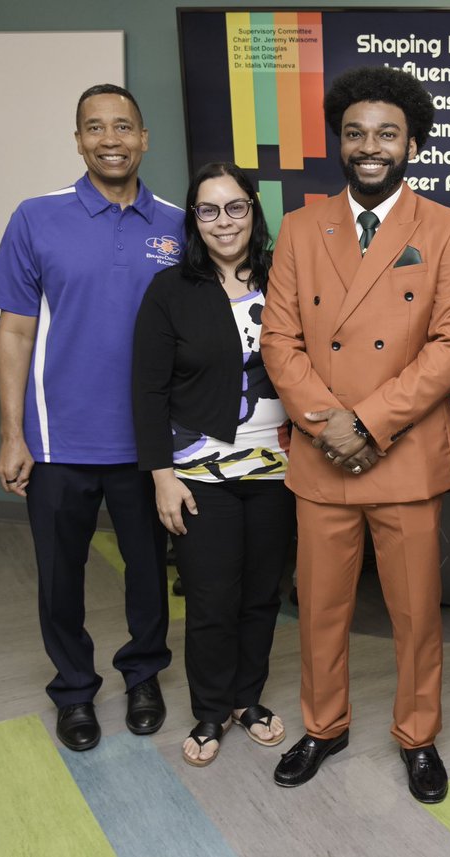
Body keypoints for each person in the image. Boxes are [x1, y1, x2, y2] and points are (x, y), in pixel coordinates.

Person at [260, 66, 450, 804]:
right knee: (320, 605)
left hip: (405, 452)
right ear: (340, 143)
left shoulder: (446, 228)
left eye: (386, 133)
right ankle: (324, 726)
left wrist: (371, 423)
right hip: (325, 456)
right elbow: (279, 341)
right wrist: (330, 425)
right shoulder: (300, 226)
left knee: (416, 611)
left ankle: (418, 737)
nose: (370, 146)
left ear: (411, 141)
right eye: (355, 133)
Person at [0, 84, 183, 751]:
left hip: (149, 444)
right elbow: (14, 332)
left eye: (123, 126)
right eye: (94, 127)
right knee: (59, 577)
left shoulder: (179, 224)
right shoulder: (36, 217)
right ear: (77, 141)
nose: (110, 139)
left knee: (150, 572)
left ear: (144, 137)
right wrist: (13, 434)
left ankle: (144, 673)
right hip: (57, 440)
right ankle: (73, 688)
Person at [132, 162, 294, 767]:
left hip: (278, 467)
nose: (223, 221)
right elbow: (147, 391)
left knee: (260, 596)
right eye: (208, 210)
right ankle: (209, 710)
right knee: (210, 598)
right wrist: (162, 476)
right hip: (199, 473)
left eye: (235, 207)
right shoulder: (170, 291)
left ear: (254, 210)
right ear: (193, 220)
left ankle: (247, 699)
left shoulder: (288, 279)